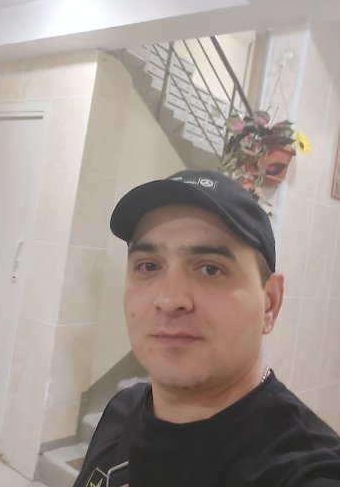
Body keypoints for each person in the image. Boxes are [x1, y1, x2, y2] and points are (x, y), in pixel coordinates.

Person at [73, 170, 340, 487]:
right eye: (149, 266)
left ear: (270, 303)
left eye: (211, 269)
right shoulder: (123, 409)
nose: (169, 300)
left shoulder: (307, 469)